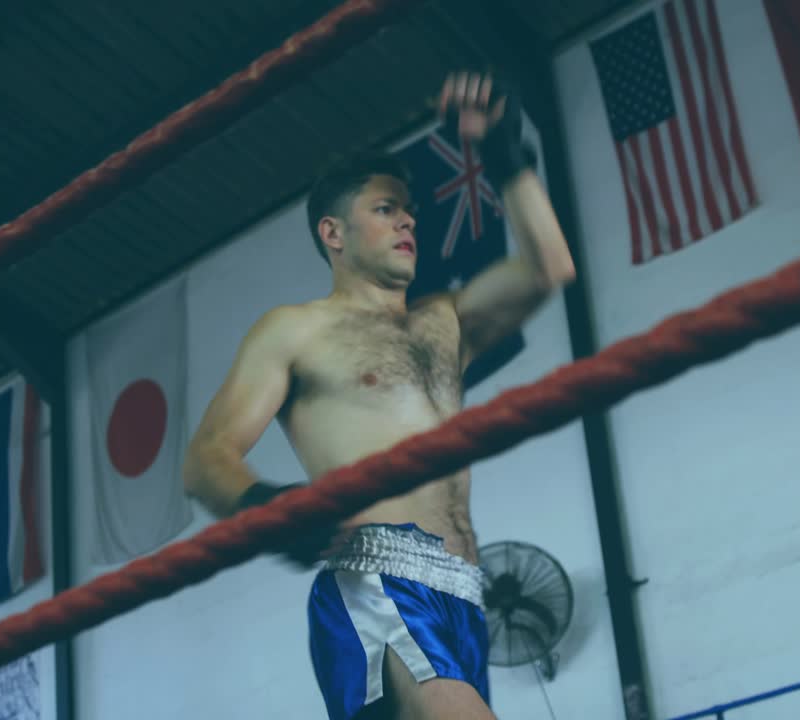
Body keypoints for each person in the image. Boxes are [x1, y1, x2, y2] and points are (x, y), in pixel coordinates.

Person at [181, 70, 576, 720]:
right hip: (379, 574)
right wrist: (270, 507)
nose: (407, 223)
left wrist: (506, 151)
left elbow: (548, 267)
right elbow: (206, 457)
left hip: (464, 598)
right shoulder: (296, 328)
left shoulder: (443, 322)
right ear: (333, 233)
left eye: (410, 211)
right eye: (385, 209)